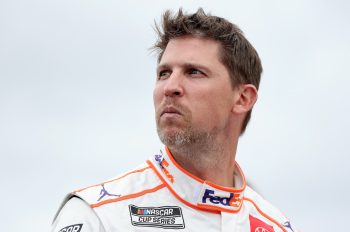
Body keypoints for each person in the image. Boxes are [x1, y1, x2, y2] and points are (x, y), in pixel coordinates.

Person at [51, 8, 297, 232]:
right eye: (164, 73)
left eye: (194, 72)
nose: (170, 87)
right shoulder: (99, 215)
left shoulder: (277, 226)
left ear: (243, 98)